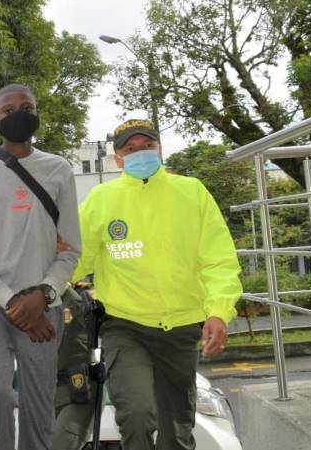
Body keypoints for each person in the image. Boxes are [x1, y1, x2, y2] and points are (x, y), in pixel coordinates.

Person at [74, 118, 242, 450]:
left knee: (176, 432)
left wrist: (219, 311)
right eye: (130, 149)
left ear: (159, 149)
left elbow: (219, 259)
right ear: (118, 158)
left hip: (181, 328)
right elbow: (74, 259)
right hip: (125, 326)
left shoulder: (191, 192)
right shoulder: (100, 200)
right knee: (135, 416)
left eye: (147, 146)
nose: (140, 154)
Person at [0, 83, 81, 450]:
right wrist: (13, 301)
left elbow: (70, 249)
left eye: (27, 106)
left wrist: (45, 292)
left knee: (40, 407)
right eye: (9, 110)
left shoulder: (58, 169)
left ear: (37, 113)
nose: (18, 114)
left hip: (44, 309)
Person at [52, 280, 98, 450]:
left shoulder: (86, 289)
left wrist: (64, 288)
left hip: (78, 390)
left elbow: (95, 323)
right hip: (45, 392)